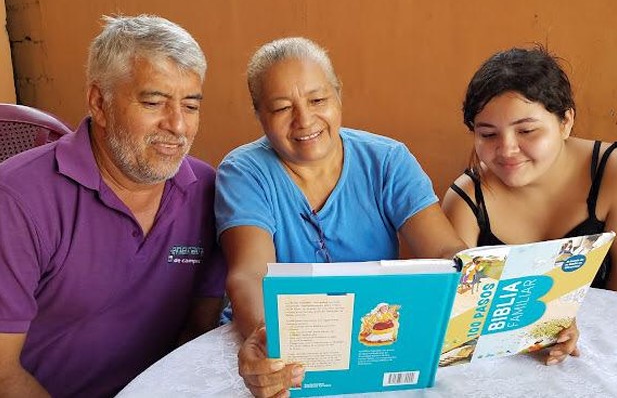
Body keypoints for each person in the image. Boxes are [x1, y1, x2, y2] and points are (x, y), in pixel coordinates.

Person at [215, 38, 580, 398]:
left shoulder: (387, 160)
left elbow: (446, 252)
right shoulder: (243, 172)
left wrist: (534, 323)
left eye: (318, 100)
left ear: (338, 95)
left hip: (376, 339)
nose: (305, 119)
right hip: (281, 342)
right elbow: (249, 274)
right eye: (281, 108)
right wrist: (269, 343)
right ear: (258, 114)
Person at [0, 15, 226, 397]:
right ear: (99, 102)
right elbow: (3, 374)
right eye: (154, 102)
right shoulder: (18, 200)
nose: (177, 125)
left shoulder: (206, 190)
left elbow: (198, 331)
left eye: (190, 105)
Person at [442, 46, 617, 300]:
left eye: (527, 131)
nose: (507, 149)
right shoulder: (467, 200)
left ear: (566, 122)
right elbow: (456, 310)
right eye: (488, 134)